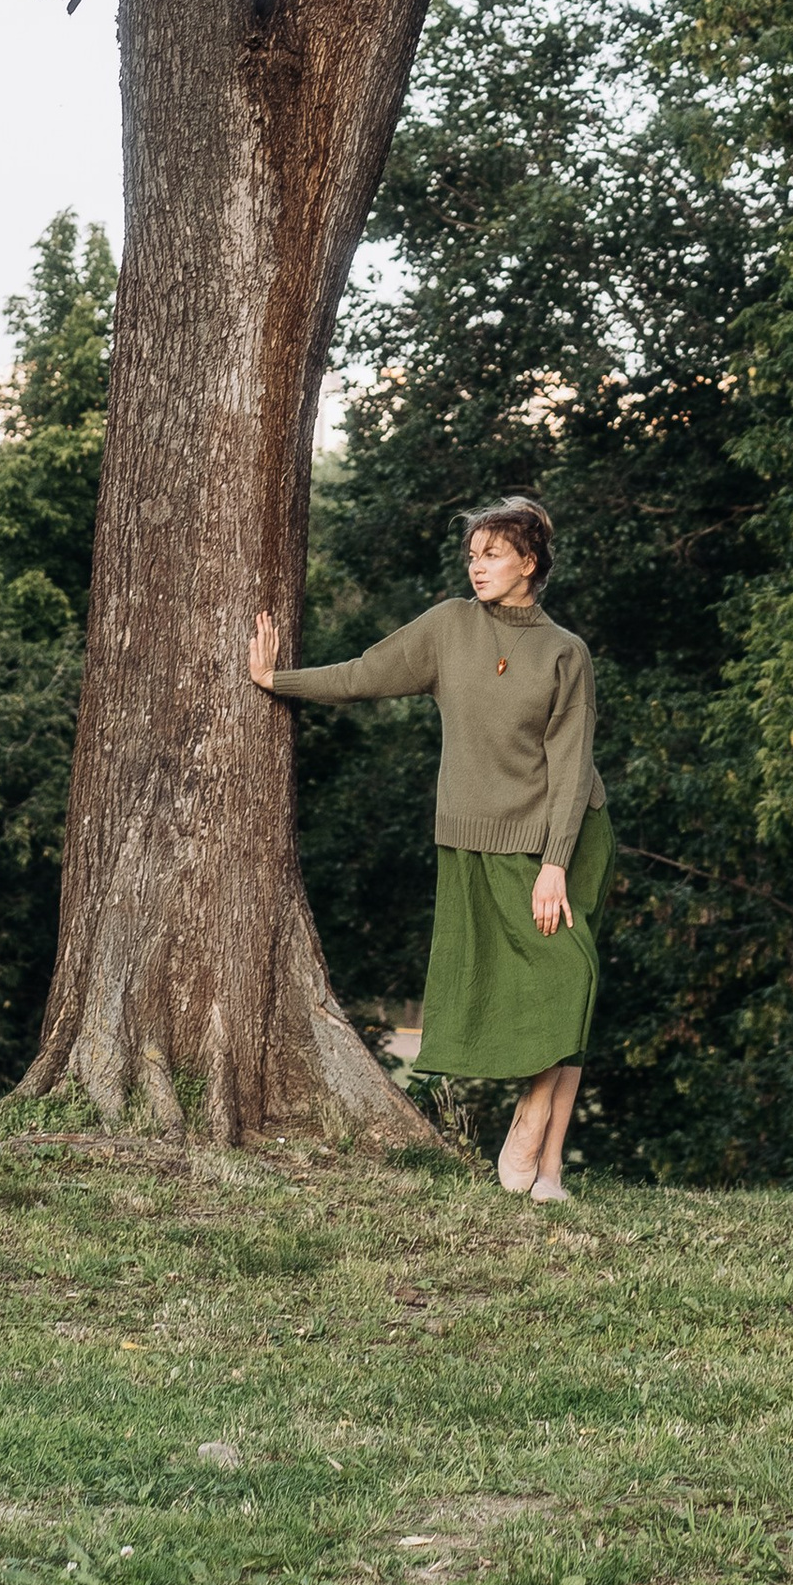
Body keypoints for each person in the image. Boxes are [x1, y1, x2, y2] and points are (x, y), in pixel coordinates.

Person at [245, 495, 611, 1199]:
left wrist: (556, 863)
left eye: (493, 554)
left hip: (565, 836)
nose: (477, 567)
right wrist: (275, 680)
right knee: (568, 983)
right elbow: (362, 674)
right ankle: (544, 1161)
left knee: (573, 979)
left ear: (529, 563)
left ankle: (542, 1150)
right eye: (472, 555)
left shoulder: (566, 652)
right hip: (482, 837)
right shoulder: (448, 628)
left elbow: (570, 765)